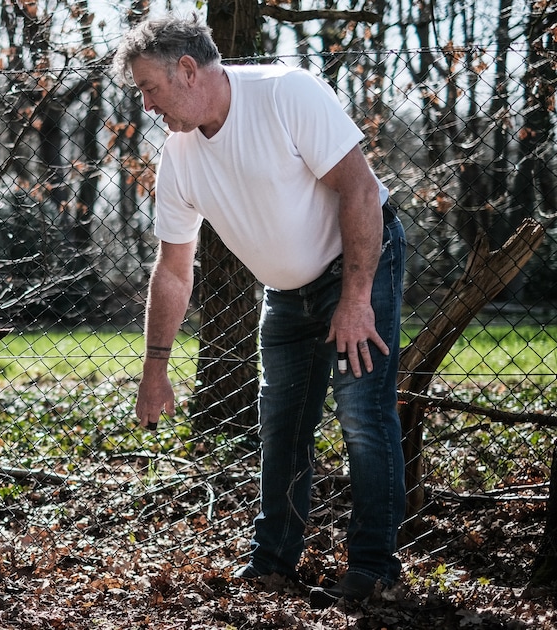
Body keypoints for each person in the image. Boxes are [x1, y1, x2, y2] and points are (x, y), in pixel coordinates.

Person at [112, 13, 406, 608]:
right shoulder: (179, 155)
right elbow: (173, 270)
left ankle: (373, 569)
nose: (146, 105)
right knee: (281, 427)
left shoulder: (284, 92)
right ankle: (272, 562)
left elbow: (359, 188)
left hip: (354, 268)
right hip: (284, 293)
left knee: (362, 418)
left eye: (149, 88)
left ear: (187, 70)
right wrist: (154, 368)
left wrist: (354, 301)